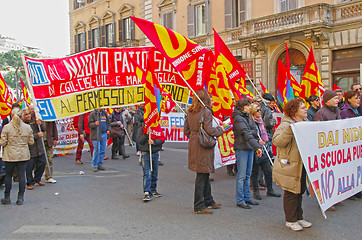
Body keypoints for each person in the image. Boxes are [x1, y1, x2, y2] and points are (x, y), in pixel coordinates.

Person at [272, 98, 311, 231]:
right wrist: (290, 130)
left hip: (302, 164)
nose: (306, 109)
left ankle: (299, 217)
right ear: (294, 111)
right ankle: (290, 220)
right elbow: (277, 141)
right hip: (289, 164)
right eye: (302, 107)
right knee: (291, 193)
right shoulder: (286, 124)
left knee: (299, 191)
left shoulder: (306, 122)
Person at [184, 89, 224, 214]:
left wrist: (195, 135)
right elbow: (209, 130)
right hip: (203, 145)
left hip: (194, 144)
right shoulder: (206, 112)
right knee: (202, 175)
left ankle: (208, 200)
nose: (212, 100)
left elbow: (186, 130)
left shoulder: (190, 111)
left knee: (204, 173)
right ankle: (199, 205)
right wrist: (221, 129)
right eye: (210, 98)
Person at [314, 89, 344, 211]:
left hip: (335, 148)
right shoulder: (321, 113)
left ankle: (335, 197)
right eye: (335, 98)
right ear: (327, 100)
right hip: (325, 149)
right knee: (326, 176)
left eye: (338, 98)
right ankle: (325, 200)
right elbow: (317, 132)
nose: (338, 100)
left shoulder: (337, 111)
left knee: (336, 173)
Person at [232, 99, 262, 209]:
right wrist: (256, 146)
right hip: (242, 148)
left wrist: (252, 135)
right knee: (241, 175)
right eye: (247, 106)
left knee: (247, 174)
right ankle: (240, 199)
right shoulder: (238, 118)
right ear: (241, 107)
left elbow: (254, 130)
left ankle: (247, 198)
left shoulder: (248, 117)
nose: (250, 107)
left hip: (249, 147)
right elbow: (246, 133)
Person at [0, 109, 34, 205]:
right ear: (22, 116)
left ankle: (7, 197)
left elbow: (2, 142)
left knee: (8, 176)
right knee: (22, 175)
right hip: (23, 154)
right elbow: (31, 142)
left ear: (11, 116)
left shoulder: (6, 127)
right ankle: (20, 197)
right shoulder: (27, 127)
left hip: (10, 155)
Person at [249, 103, 281, 200]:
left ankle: (270, 190)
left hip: (265, 149)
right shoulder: (251, 122)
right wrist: (257, 141)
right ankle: (255, 192)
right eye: (257, 110)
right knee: (255, 172)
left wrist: (268, 139)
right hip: (256, 149)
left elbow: (265, 134)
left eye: (260, 110)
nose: (260, 112)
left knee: (268, 171)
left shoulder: (261, 121)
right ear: (253, 112)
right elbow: (248, 134)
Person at [340, 90, 362, 199]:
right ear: (349, 100)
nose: (358, 100)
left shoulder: (359, 109)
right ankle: (351, 192)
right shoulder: (344, 112)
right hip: (350, 145)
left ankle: (358, 189)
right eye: (356, 98)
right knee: (350, 168)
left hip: (358, 144)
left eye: (359, 98)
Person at [137, 121, 165, 202]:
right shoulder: (141, 129)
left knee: (154, 173)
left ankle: (153, 190)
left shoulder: (157, 128)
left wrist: (154, 142)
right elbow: (139, 140)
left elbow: (162, 139)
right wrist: (146, 135)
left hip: (155, 153)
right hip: (145, 154)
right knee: (147, 173)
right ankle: (147, 192)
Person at [26, 106, 46, 190]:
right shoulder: (23, 124)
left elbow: (43, 129)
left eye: (29, 114)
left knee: (42, 164)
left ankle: (37, 178)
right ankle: (30, 182)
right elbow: (26, 137)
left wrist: (40, 124)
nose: (28, 115)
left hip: (39, 148)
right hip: (30, 149)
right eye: (26, 114)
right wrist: (36, 136)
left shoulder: (34, 121)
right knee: (29, 167)